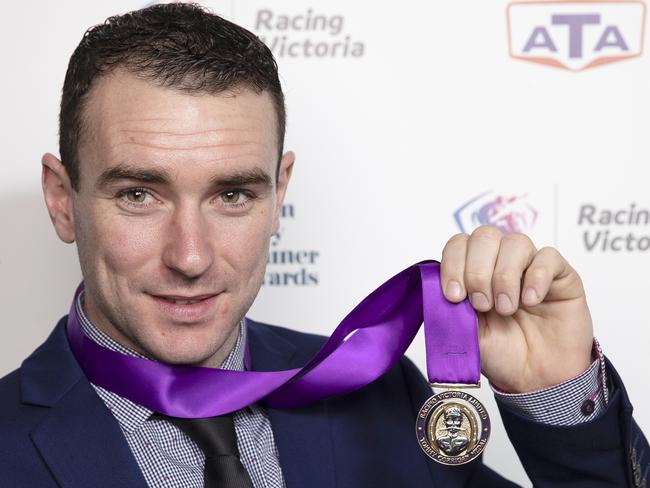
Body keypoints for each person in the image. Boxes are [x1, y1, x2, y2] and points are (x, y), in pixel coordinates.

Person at [0, 4, 647, 487]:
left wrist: (557, 395)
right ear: (63, 198)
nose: (191, 257)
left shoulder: (383, 395)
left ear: (279, 191)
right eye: (140, 194)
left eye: (233, 194)